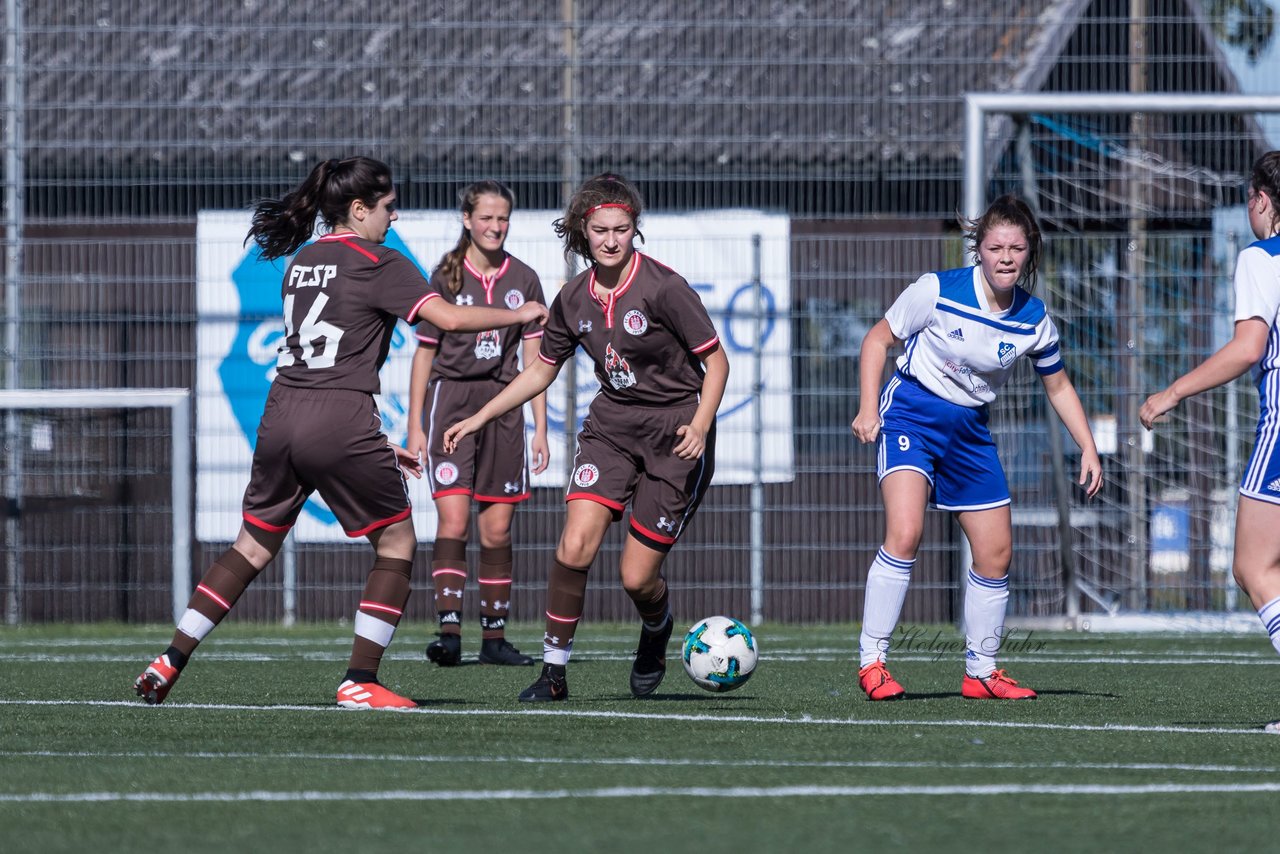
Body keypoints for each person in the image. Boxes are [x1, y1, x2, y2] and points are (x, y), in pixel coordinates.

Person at [133, 156, 547, 710]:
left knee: (251, 545)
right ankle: (361, 678)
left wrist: (371, 442)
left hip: (283, 412)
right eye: (387, 209)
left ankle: (171, 657)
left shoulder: (303, 260)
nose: (393, 220)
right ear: (358, 210)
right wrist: (519, 316)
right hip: (341, 416)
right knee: (398, 542)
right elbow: (446, 320)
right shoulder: (381, 262)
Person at [442, 172, 729, 701]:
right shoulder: (572, 298)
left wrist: (702, 424)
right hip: (611, 431)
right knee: (573, 545)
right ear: (584, 231)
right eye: (601, 230)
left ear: (634, 229)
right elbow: (539, 370)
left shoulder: (665, 287)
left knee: (636, 578)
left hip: (676, 434)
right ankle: (553, 674)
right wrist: (479, 416)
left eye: (622, 228)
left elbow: (716, 362)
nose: (612, 239)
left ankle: (657, 627)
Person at [851, 193, 1103, 701]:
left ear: (1030, 250)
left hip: (969, 431)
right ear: (978, 250)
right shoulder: (937, 290)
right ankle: (872, 661)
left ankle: (982, 672)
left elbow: (1058, 385)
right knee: (905, 532)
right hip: (912, 414)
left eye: (1016, 247)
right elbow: (877, 340)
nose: (1005, 257)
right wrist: (867, 406)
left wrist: (1088, 447)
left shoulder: (1034, 318)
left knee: (996, 553)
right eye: (995, 247)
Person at [1140, 151, 1280, 734]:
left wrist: (1173, 392)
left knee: (1253, 566)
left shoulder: (1261, 257)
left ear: (1260, 200)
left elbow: (1249, 347)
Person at [405, 180, 548, 668]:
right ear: (466, 220)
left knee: (497, 531)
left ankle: (494, 639)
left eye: (503, 218)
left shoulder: (524, 278)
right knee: (454, 518)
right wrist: (415, 427)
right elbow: (424, 357)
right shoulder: (444, 276)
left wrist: (541, 429)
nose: (495, 226)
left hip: (504, 406)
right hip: (451, 403)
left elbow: (536, 361)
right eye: (486, 217)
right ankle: (448, 632)